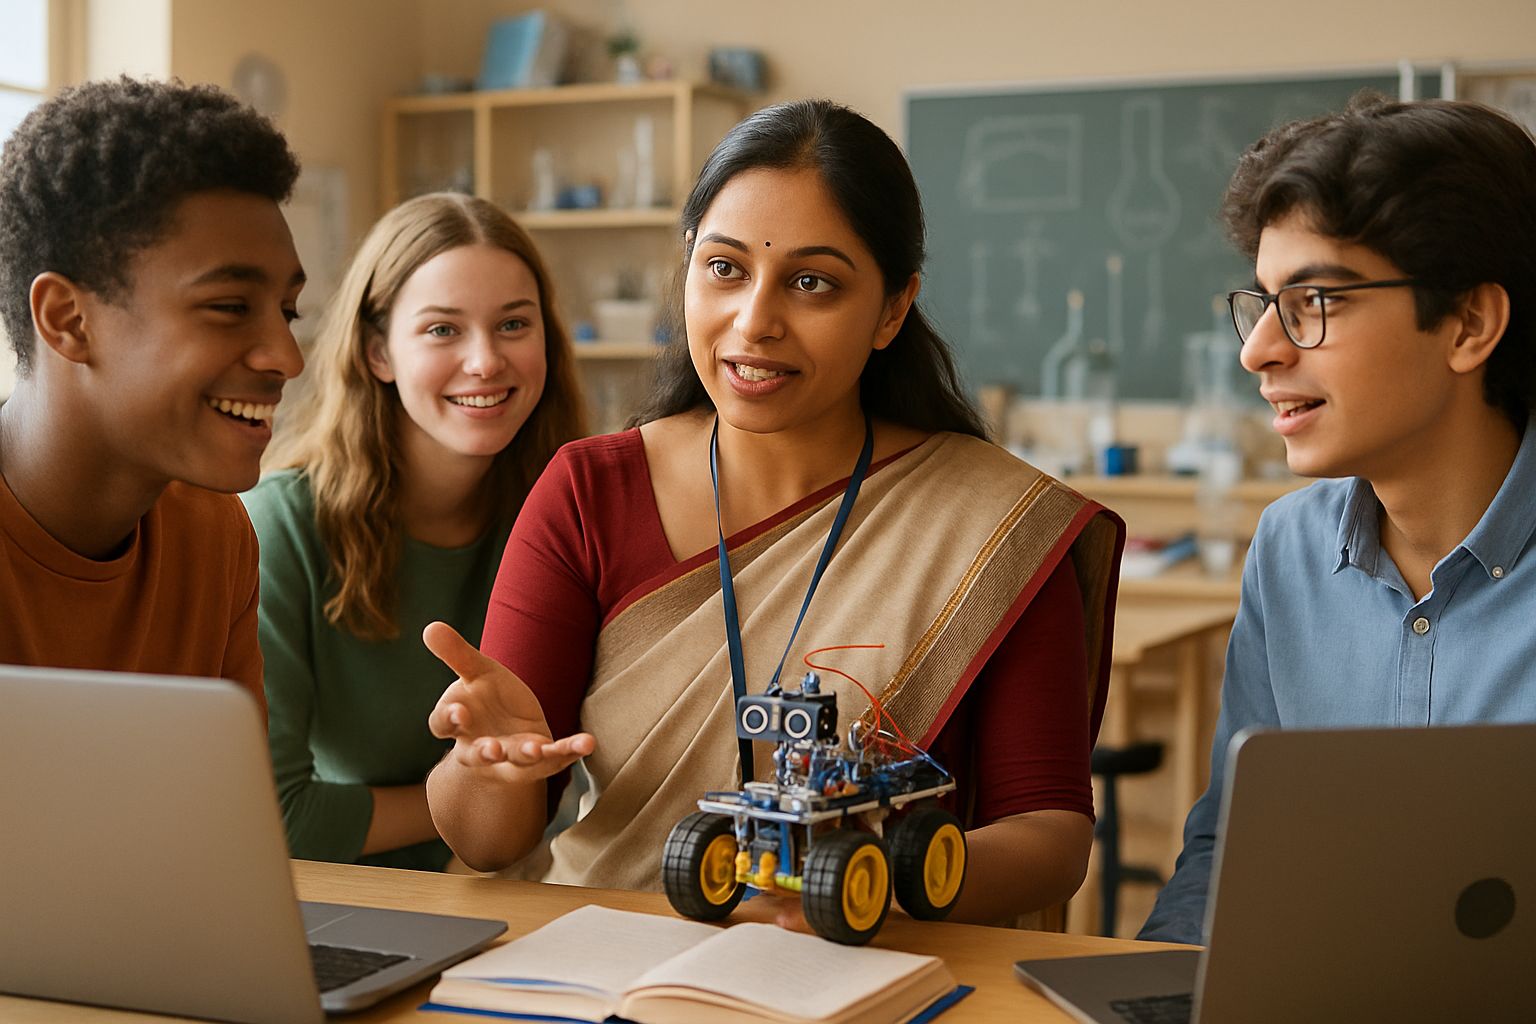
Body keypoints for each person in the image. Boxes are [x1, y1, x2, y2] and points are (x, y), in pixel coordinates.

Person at [422, 99, 1125, 925]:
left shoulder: (992, 523)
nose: (754, 323)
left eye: (811, 282)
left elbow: (1048, 837)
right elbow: (490, 844)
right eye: (725, 269)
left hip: (874, 974)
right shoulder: (588, 492)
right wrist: (486, 768)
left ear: (893, 309)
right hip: (615, 969)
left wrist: (859, 895)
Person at [1140, 95, 1536, 944]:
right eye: (1264, 302)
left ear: (1469, 323)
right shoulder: (1289, 549)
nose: (1259, 351)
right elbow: (1227, 848)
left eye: (1315, 300)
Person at [241, 193, 585, 870]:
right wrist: (471, 794)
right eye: (442, 330)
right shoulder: (280, 528)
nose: (485, 361)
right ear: (378, 353)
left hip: (513, 892)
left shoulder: (572, 521)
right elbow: (275, 818)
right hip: (342, 908)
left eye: (514, 324)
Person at [0, 77, 304, 709]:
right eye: (229, 306)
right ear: (68, 320)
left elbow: (220, 805)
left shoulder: (215, 537)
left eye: (289, 311)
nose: (287, 357)